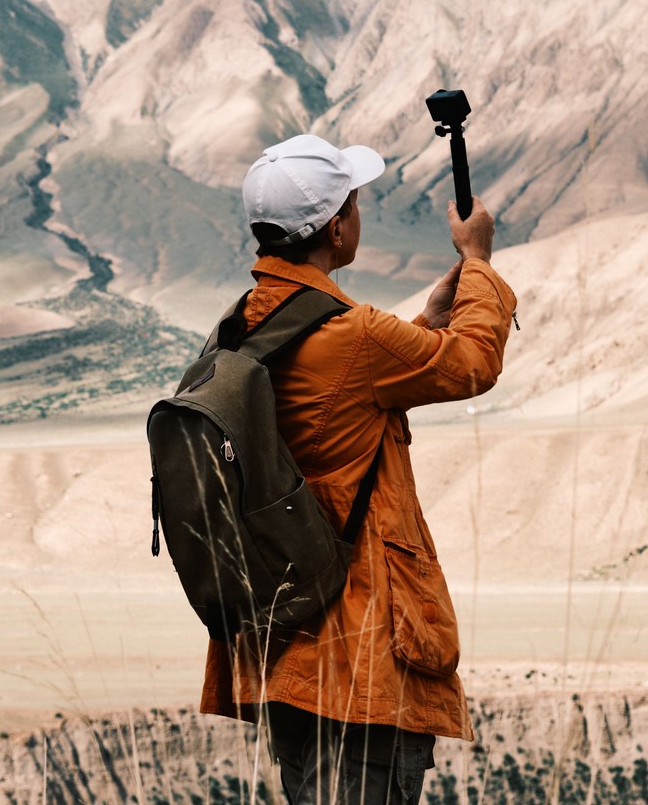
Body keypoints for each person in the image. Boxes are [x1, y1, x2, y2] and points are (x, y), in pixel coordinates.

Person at [200, 132, 517, 805]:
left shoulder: (239, 326)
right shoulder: (354, 335)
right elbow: (473, 365)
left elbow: (327, 393)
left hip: (282, 644)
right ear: (336, 227)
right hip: (358, 654)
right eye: (353, 203)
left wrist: (420, 324)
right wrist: (478, 261)